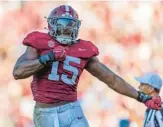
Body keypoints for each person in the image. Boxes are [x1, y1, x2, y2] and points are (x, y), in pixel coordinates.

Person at [13, 5, 162, 127]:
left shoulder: (83, 49)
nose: (66, 29)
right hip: (45, 113)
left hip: (72, 108)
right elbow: (18, 72)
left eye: (70, 25)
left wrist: (142, 97)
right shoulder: (39, 42)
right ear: (52, 25)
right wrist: (47, 58)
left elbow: (111, 79)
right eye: (62, 25)